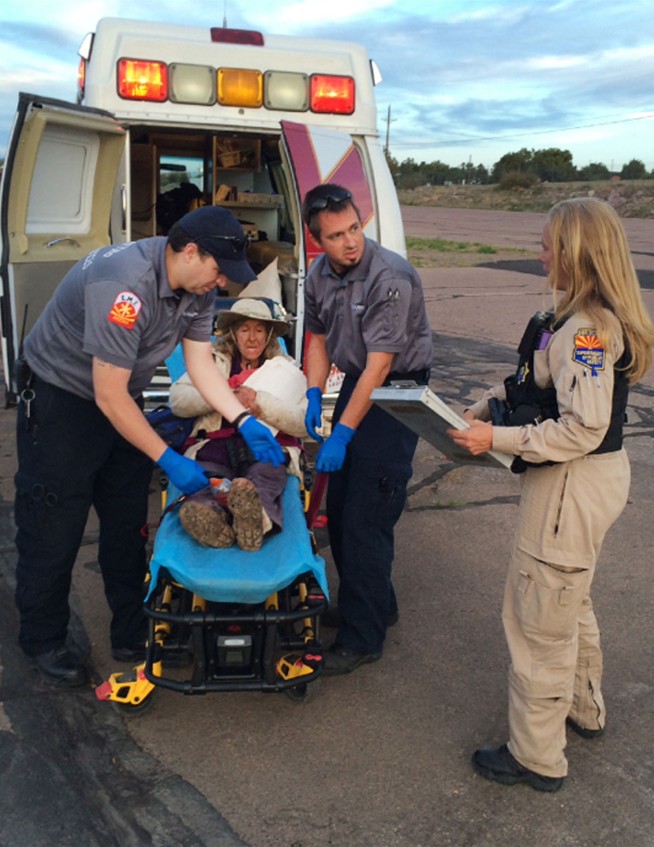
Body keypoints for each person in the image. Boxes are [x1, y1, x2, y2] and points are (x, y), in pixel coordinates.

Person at [14, 205, 284, 688]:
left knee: (126, 520)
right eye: (218, 271)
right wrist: (168, 458)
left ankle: (129, 630)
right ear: (190, 251)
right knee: (54, 521)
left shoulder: (196, 289)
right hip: (62, 402)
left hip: (121, 396)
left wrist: (243, 419)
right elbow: (107, 395)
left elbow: (201, 366)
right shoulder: (124, 285)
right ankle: (43, 638)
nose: (221, 284)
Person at [448, 197, 654, 792]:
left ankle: (537, 756)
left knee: (539, 618)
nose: (540, 254)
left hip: (573, 484)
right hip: (588, 482)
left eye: (548, 245)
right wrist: (489, 402)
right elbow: (532, 378)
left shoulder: (586, 330)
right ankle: (583, 708)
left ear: (576, 253)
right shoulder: (570, 318)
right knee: (571, 596)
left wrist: (496, 437)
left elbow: (582, 428)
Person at [301, 183, 433, 675]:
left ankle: (363, 637)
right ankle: (374, 602)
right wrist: (314, 391)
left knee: (367, 514)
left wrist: (342, 434)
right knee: (339, 512)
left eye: (354, 228)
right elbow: (316, 337)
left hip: (397, 392)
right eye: (336, 235)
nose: (350, 242)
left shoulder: (389, 276)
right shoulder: (318, 274)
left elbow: (381, 368)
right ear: (318, 241)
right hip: (359, 384)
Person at [170, 298, 308, 551]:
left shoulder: (285, 371)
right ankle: (213, 521)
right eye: (245, 329)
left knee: (261, 482)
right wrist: (222, 394)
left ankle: (258, 520)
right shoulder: (212, 363)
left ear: (269, 335)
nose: (252, 338)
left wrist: (259, 403)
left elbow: (303, 423)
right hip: (216, 445)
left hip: (265, 449)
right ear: (233, 333)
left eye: (259, 330)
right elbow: (178, 401)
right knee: (207, 483)